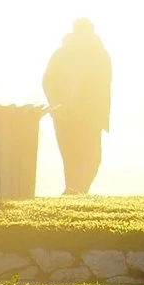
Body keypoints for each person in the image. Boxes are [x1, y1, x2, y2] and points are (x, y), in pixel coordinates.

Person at [42, 19, 113, 196]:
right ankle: (75, 192)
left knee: (82, 159)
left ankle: (75, 192)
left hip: (83, 116)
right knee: (81, 159)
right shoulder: (66, 54)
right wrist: (57, 105)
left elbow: (104, 85)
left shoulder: (98, 54)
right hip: (72, 116)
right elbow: (48, 81)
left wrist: (57, 105)